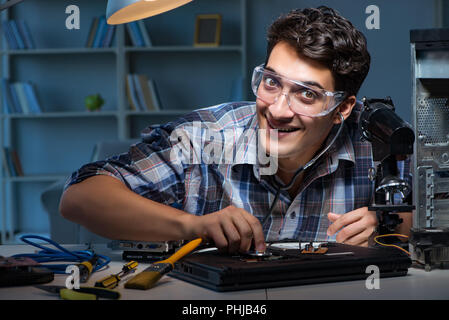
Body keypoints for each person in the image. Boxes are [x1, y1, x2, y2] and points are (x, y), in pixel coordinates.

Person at [60, 6, 412, 253]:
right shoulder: (204, 136)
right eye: (271, 83)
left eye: (306, 94)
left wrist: (392, 227)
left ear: (343, 108)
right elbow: (79, 199)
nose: (277, 110)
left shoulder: (380, 138)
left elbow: (432, 215)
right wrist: (192, 227)